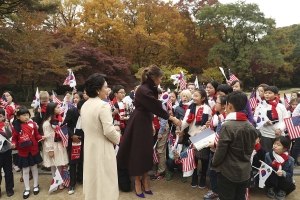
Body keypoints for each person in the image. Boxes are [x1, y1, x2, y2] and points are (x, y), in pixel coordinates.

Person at [117, 65, 181, 198]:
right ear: (154, 77)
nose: (161, 81)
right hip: (139, 122)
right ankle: (137, 182)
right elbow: (155, 106)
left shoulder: (150, 88)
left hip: (145, 120)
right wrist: (172, 118)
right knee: (137, 152)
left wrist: (151, 122)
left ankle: (145, 180)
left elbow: (151, 109)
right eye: (160, 79)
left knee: (147, 151)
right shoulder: (143, 90)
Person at [81, 73, 121, 200]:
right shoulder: (103, 105)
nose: (107, 90)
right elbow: (108, 131)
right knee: (106, 181)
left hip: (89, 146)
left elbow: (85, 127)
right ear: (98, 89)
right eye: (105, 87)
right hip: (103, 148)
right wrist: (119, 137)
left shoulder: (84, 105)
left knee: (93, 178)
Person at [211, 91, 257, 200]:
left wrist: (214, 163)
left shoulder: (227, 126)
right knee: (239, 197)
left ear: (229, 105)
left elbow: (221, 150)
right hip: (245, 171)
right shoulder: (250, 126)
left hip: (228, 171)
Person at [11, 106, 45, 199]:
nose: (26, 117)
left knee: (34, 168)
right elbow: (14, 139)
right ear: (18, 117)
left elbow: (37, 135)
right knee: (25, 170)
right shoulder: (15, 127)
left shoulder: (33, 124)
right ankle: (27, 188)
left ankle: (36, 185)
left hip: (33, 149)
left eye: (27, 115)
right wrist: (13, 144)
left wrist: (41, 137)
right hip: (23, 151)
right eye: (24, 115)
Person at [181, 89, 212, 189]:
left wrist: (202, 131)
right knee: (193, 157)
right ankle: (194, 177)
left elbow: (209, 124)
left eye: (196, 96)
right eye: (193, 96)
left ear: (203, 98)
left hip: (203, 136)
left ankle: (203, 177)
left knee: (203, 159)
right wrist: (180, 128)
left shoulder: (207, 108)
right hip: (192, 135)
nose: (194, 98)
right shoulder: (191, 108)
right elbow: (186, 120)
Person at [42, 103, 69, 190]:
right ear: (53, 109)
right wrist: (50, 149)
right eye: (57, 107)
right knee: (54, 165)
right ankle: (56, 180)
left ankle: (61, 180)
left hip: (60, 144)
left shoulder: (60, 119)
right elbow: (48, 137)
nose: (59, 108)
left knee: (60, 163)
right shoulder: (47, 123)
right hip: (53, 145)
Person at [254, 86, 289, 152]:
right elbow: (256, 117)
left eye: (270, 93)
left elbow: (286, 119)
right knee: (267, 153)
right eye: (266, 93)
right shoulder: (260, 106)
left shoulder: (280, 106)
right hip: (266, 134)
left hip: (278, 134)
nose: (267, 94)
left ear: (276, 95)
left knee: (279, 152)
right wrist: (265, 122)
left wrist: (280, 129)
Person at [205, 95, 227, 199]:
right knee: (212, 171)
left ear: (223, 106)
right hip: (212, 149)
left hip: (221, 151)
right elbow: (212, 130)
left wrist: (215, 143)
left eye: (217, 102)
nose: (215, 104)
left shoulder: (227, 119)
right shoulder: (217, 116)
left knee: (220, 174)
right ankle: (215, 190)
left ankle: (222, 193)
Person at [63, 99, 86, 195]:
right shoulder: (71, 112)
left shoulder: (89, 113)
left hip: (84, 138)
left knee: (82, 159)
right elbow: (65, 125)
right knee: (73, 161)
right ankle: (72, 183)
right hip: (73, 140)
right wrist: (72, 135)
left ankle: (80, 178)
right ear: (78, 109)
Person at [0, 108, 14, 197]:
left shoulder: (5, 124)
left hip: (6, 151)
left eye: (0, 116)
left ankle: (9, 188)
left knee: (8, 171)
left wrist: (6, 127)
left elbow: (9, 135)